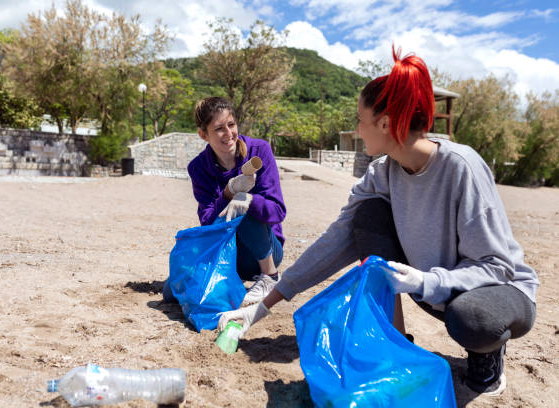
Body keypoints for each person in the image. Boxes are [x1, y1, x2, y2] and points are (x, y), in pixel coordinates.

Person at [219, 47, 538, 397]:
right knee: (367, 216)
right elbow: (337, 239)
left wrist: (427, 280)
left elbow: (496, 267)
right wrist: (261, 307)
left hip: (498, 292)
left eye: (360, 119)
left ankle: (487, 358)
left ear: (385, 124)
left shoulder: (462, 168)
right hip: (429, 286)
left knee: (473, 320)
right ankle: (397, 341)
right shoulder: (382, 173)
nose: (357, 129)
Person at [163, 96, 286, 306]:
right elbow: (208, 221)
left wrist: (249, 199)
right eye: (219, 128)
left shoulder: (259, 151)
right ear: (203, 134)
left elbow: (277, 211)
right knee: (170, 291)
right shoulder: (198, 168)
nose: (228, 134)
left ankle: (270, 277)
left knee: (242, 206)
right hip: (227, 252)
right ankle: (229, 280)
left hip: (265, 251)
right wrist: (227, 193)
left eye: (231, 124)